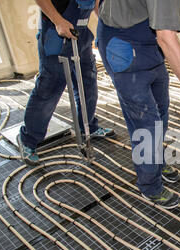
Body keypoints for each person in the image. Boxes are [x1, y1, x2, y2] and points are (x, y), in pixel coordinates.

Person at [96, 0, 180, 209]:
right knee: (146, 126)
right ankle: (149, 185)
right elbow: (167, 38)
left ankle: (156, 162)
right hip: (122, 47)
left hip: (149, 47)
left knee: (161, 113)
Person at [17, 0, 115, 166]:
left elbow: (96, 2)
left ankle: (88, 126)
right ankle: (28, 140)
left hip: (81, 34)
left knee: (87, 82)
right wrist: (58, 21)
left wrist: (106, 24)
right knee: (50, 87)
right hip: (57, 32)